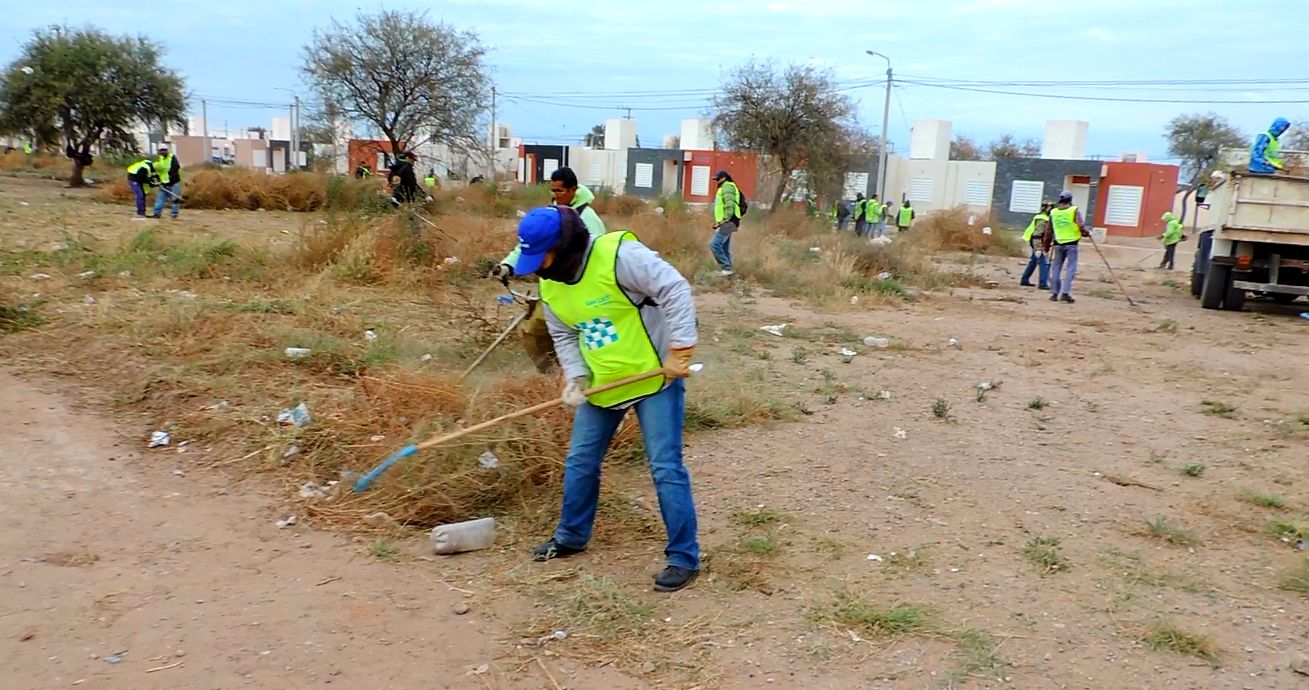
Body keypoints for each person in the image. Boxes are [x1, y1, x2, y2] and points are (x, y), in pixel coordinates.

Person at [512, 206, 702, 593]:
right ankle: (571, 536)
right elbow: (565, 334)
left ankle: (684, 556)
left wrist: (681, 347)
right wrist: (576, 376)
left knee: (665, 467)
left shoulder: (619, 257)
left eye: (543, 257)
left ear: (563, 247)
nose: (538, 267)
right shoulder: (550, 285)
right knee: (581, 461)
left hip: (654, 380)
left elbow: (675, 288)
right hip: (604, 385)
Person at [492, 167, 607, 373]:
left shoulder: (588, 218)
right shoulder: (550, 215)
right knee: (533, 334)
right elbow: (529, 246)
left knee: (583, 340)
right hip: (551, 292)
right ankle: (552, 377)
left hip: (581, 294)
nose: (555, 195)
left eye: (560, 191)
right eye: (552, 191)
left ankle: (579, 377)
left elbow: (599, 257)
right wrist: (508, 265)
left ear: (573, 190)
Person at [1048, 191, 1089, 303]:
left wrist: (1047, 244)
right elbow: (1080, 225)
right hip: (1071, 243)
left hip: (1058, 243)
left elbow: (1049, 229)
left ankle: (1054, 293)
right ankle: (1065, 293)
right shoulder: (1074, 210)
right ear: (1070, 200)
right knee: (1071, 268)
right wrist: (1086, 233)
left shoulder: (1053, 212)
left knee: (1056, 267)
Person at [710, 170, 741, 276]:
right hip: (728, 221)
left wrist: (724, 220)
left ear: (723, 178)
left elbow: (729, 204)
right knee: (724, 247)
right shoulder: (726, 186)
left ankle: (726, 268)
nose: (716, 181)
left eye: (718, 179)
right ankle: (729, 272)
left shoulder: (727, 187)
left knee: (715, 245)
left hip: (728, 221)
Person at [1020, 202, 1052, 289]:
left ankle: (1025, 279)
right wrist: (1039, 247)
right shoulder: (1043, 218)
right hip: (1038, 241)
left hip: (1035, 241)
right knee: (1043, 261)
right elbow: (1039, 233)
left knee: (1034, 260)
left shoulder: (1042, 217)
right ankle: (1043, 283)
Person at [150, 144, 182, 220]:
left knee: (175, 199)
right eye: (161, 151)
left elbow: (176, 167)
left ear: (167, 150)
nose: (163, 152)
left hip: (174, 182)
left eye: (164, 150)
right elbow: (159, 170)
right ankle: (157, 213)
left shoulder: (172, 157)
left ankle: (174, 215)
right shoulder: (160, 159)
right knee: (160, 199)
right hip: (164, 183)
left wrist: (171, 175)